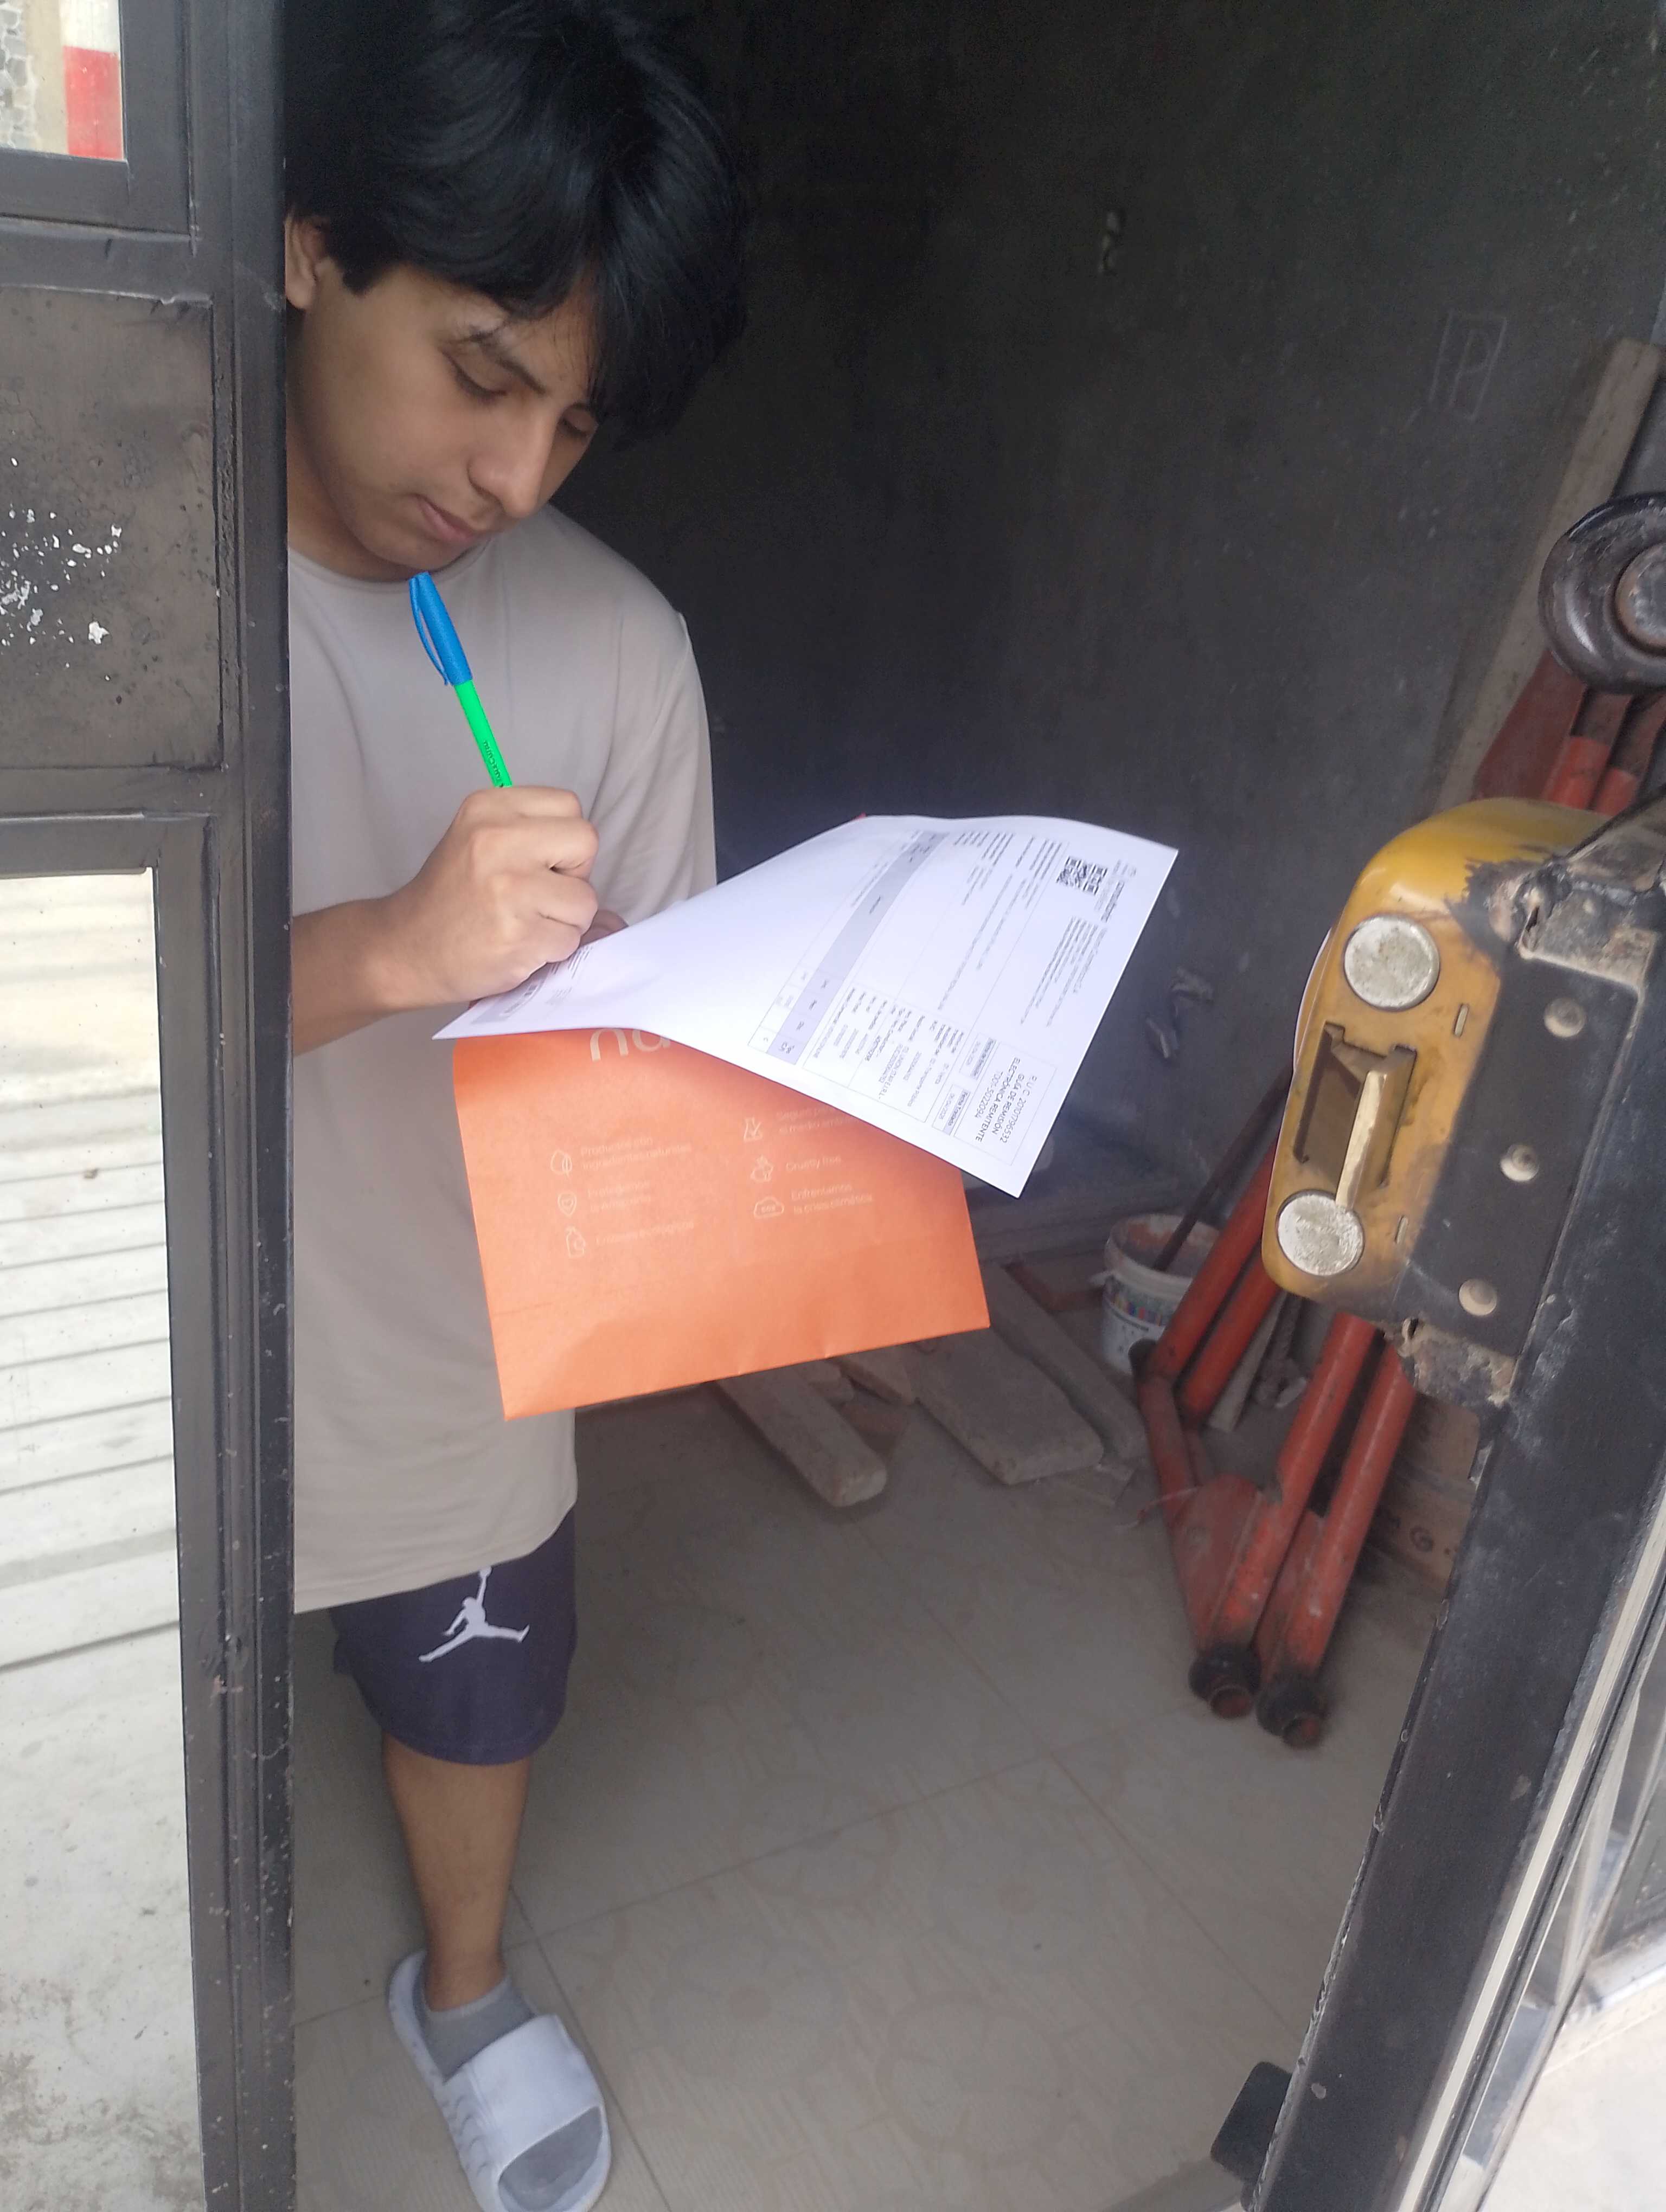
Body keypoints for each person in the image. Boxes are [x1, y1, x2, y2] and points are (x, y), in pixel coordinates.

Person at [282, 4, 744, 2206]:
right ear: (308, 244)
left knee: (475, 1686)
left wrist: (677, 1042)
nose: (517, 479)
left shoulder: (618, 650)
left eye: (575, 423)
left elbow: (658, 1073)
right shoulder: (91, 582)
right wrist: (388, 947)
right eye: (483, 373)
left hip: (448, 1323)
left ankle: (460, 1989)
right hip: (123, 1308)